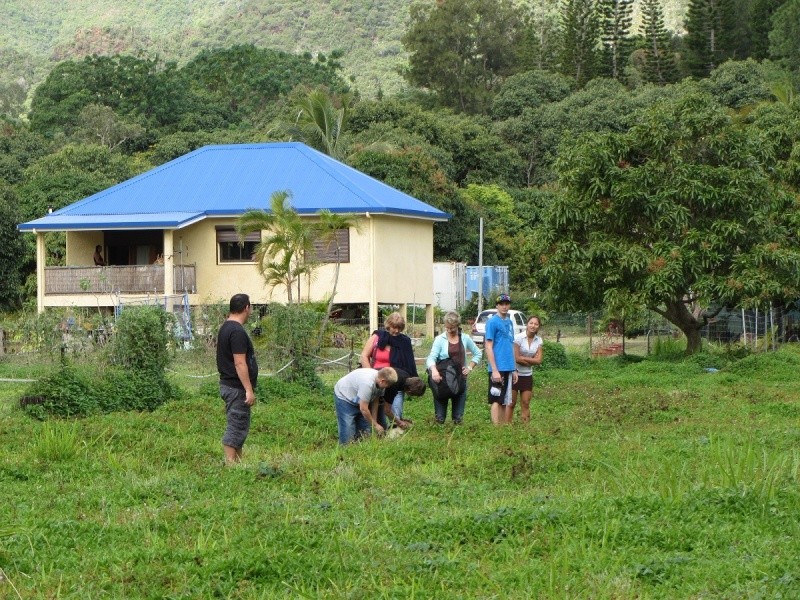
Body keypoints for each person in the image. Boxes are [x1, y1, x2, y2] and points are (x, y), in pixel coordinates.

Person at [216, 293, 258, 465]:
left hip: (229, 385)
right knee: (236, 426)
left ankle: (238, 465)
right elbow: (240, 363)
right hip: (236, 388)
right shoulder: (237, 331)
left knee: (239, 426)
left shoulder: (226, 327)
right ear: (246, 308)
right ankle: (230, 465)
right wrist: (248, 389)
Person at [359, 312, 418, 423]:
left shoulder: (404, 341)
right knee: (374, 408)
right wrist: (370, 375)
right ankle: (373, 429)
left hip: (395, 380)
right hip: (377, 377)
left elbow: (409, 362)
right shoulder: (377, 337)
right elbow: (364, 356)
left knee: (395, 411)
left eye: (399, 328)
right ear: (388, 325)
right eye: (394, 327)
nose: (396, 330)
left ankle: (396, 428)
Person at [426, 311, 482, 424]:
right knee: (440, 418)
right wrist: (434, 371)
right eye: (447, 328)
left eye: (452, 328)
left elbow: (478, 353)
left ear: (458, 326)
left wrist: (469, 367)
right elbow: (431, 358)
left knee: (458, 418)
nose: (450, 330)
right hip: (442, 382)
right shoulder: (439, 339)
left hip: (460, 381)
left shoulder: (465, 338)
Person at [333, 367, 398, 445]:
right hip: (345, 396)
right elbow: (363, 409)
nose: (389, 387)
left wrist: (374, 422)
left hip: (361, 399)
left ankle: (360, 449)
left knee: (366, 432)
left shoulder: (380, 382)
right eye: (389, 384)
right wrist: (376, 425)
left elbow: (375, 400)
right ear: (382, 381)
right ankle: (345, 450)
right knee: (348, 429)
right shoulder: (367, 384)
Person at [484, 294, 518, 425]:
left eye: (507, 304)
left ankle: (503, 427)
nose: (504, 306)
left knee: (505, 399)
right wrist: (494, 370)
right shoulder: (492, 322)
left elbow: (511, 345)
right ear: (497, 306)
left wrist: (514, 368)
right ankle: (496, 427)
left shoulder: (509, 322)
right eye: (501, 304)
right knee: (496, 398)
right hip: (497, 367)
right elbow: (488, 346)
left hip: (509, 366)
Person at [508, 315, 543, 424]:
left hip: (527, 375)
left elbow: (539, 360)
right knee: (511, 403)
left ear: (538, 327)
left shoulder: (539, 340)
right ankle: (507, 426)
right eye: (531, 323)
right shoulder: (518, 338)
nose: (533, 326)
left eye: (536, 324)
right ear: (527, 324)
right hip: (515, 374)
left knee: (526, 402)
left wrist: (523, 358)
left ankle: (525, 427)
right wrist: (530, 360)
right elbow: (516, 358)